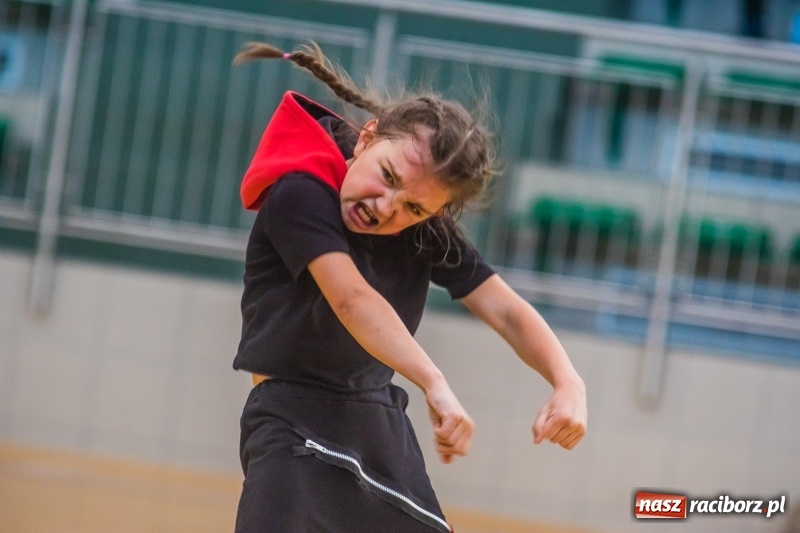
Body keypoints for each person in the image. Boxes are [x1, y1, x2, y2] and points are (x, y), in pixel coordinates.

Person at [231, 41, 587, 533]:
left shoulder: (423, 231)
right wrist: (434, 382)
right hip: (293, 423)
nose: (385, 207)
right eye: (388, 176)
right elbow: (352, 301)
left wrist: (569, 383)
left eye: (414, 208)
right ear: (367, 137)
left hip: (379, 427)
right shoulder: (300, 193)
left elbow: (506, 311)